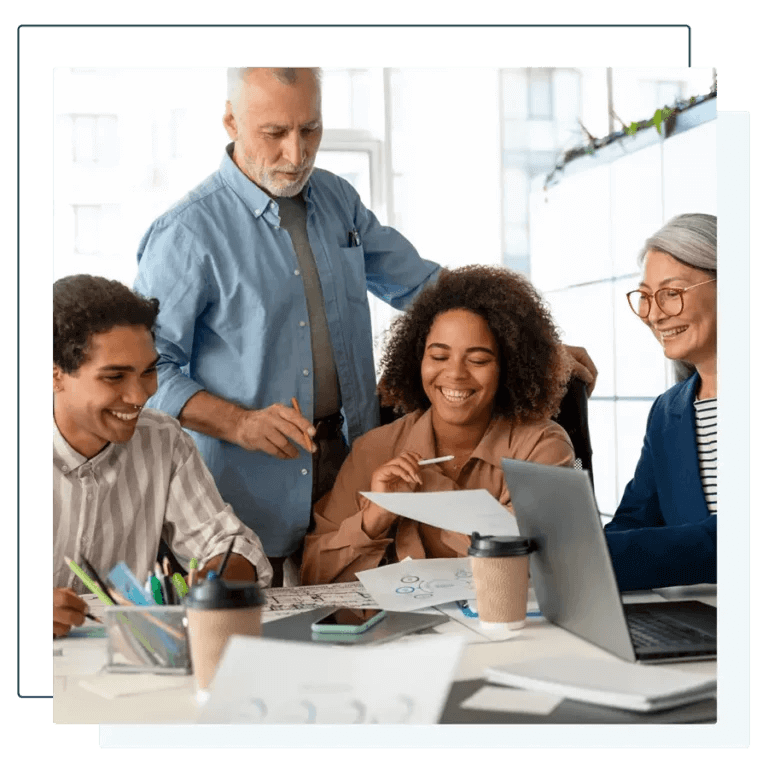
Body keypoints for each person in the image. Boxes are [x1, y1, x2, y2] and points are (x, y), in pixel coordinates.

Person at [134, 66, 598, 586]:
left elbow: (427, 288)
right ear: (230, 121)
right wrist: (239, 423)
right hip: (245, 489)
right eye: (275, 134)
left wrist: (532, 346)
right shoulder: (185, 232)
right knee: (245, 649)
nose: (296, 153)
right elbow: (147, 371)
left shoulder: (338, 201)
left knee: (342, 630)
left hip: (348, 466)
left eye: (310, 130)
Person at [300, 265, 576, 585]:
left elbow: (535, 570)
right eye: (439, 356)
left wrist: (434, 495)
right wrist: (374, 518)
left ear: (509, 367)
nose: (455, 374)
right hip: (396, 631)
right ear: (418, 360)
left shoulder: (542, 447)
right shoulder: (373, 449)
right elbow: (313, 579)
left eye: (478, 360)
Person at [52, 275, 272, 638]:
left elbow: (230, 543)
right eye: (114, 377)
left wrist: (217, 577)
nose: (140, 395)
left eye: (149, 371)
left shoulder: (162, 440)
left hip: (133, 667)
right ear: (56, 376)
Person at [605, 213, 717, 591]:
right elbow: (636, 520)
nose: (653, 315)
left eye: (671, 293)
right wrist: (567, 548)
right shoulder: (669, 412)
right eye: (646, 297)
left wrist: (600, 555)